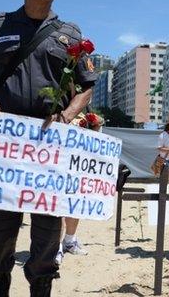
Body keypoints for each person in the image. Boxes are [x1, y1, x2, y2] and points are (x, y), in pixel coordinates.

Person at [0, 0, 96, 296]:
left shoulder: (70, 35)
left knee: (49, 231)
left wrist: (67, 115)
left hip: (50, 150)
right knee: (0, 227)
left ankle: (41, 288)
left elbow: (87, 86)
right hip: (4, 148)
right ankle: (0, 283)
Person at [56, 112, 105, 265]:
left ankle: (69, 241)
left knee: (74, 207)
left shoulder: (84, 116)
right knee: (58, 210)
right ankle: (55, 247)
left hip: (79, 168)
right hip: (59, 166)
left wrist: (96, 123)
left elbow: (96, 136)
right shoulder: (56, 113)